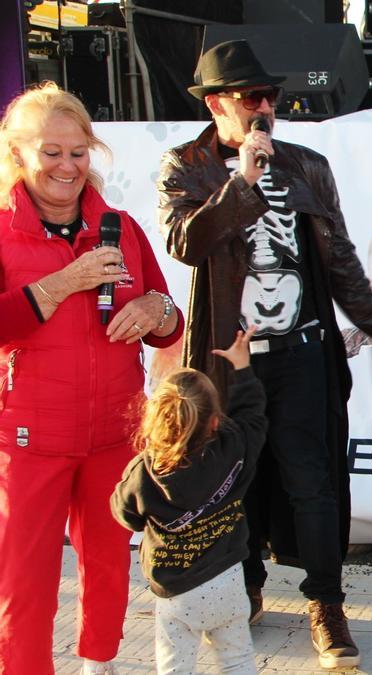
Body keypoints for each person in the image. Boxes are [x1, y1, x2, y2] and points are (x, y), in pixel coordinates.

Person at [156, 40, 372, 670]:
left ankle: (326, 602)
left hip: (301, 351)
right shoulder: (186, 167)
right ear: (217, 104)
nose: (266, 106)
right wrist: (241, 180)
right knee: (230, 479)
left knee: (313, 482)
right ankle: (243, 586)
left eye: (270, 95)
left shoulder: (308, 165)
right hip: (229, 358)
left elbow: (342, 259)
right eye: (251, 97)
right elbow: (187, 243)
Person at [0, 82, 183, 675]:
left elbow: (166, 314)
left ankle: (98, 664)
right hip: (28, 438)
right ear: (20, 155)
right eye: (51, 151)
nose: (66, 165)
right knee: (24, 580)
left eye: (78, 152)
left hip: (114, 431)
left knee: (107, 566)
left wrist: (158, 311)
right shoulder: (3, 229)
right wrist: (61, 283)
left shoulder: (120, 227)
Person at [111, 329, 265, 674]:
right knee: (238, 659)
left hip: (176, 592)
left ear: (154, 419)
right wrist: (243, 370)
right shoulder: (234, 447)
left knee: (175, 666)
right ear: (213, 421)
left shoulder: (143, 471)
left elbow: (126, 516)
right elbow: (253, 417)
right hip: (229, 581)